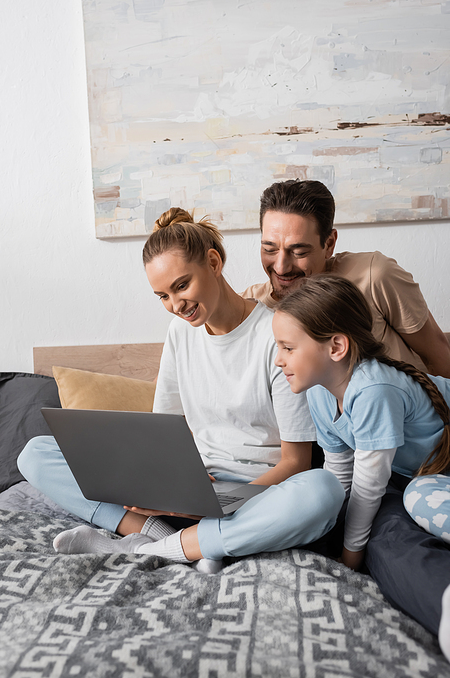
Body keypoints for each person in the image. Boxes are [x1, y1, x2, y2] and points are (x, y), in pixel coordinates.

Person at [18, 209, 344, 571]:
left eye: (181, 286)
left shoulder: (276, 335)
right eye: (162, 296)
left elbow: (295, 463)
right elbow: (165, 432)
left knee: (323, 491)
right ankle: (163, 534)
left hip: (255, 496)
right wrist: (161, 485)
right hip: (193, 485)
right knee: (36, 453)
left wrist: (221, 503)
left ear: (214, 262)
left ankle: (161, 548)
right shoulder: (180, 334)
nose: (175, 306)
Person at [272, 273, 450, 644]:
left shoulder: (373, 389)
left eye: (288, 348)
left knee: (403, 510)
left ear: (336, 346)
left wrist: (350, 559)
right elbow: (338, 471)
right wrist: (331, 531)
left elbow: (368, 488)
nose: (278, 360)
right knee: (385, 537)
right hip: (406, 480)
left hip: (429, 476)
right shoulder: (320, 392)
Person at [242, 179, 450, 377]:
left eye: (299, 252)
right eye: (269, 249)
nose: (281, 267)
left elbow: (440, 357)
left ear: (329, 244)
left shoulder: (374, 276)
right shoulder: (250, 306)